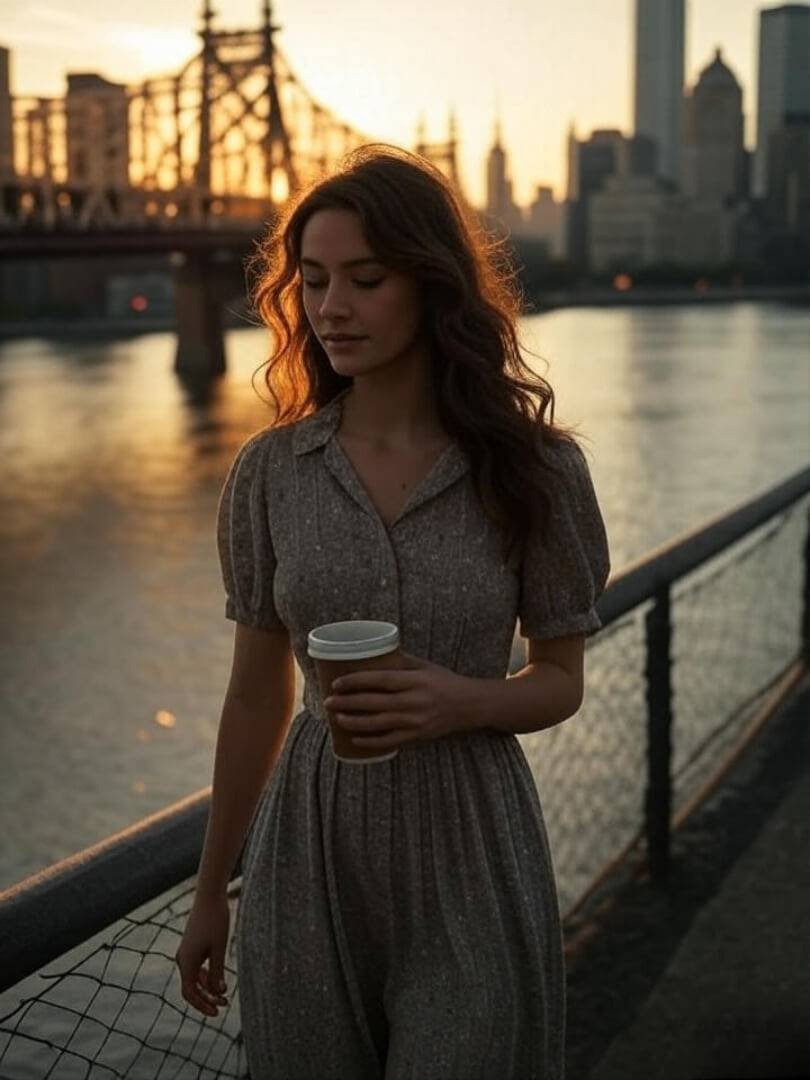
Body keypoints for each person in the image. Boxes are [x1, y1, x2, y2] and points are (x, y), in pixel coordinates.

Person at [175, 143, 610, 1079]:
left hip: (471, 843)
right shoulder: (270, 474)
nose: (330, 307)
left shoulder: (535, 472)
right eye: (316, 280)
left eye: (365, 280)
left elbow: (562, 679)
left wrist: (464, 701)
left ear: (431, 285)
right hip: (308, 850)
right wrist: (212, 893)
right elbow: (255, 699)